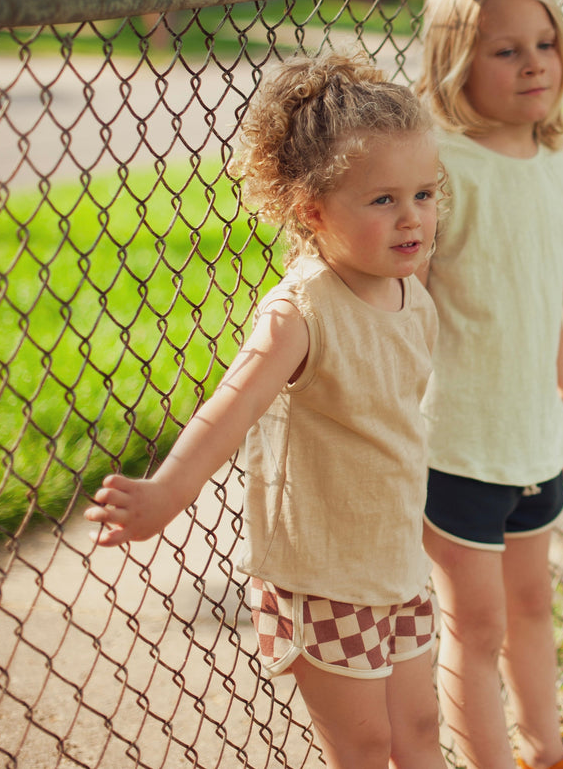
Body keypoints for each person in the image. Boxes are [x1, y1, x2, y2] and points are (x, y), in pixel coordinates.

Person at [85, 51, 446, 769]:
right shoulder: (302, 311)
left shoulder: (409, 290)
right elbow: (232, 404)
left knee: (421, 727)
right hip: (324, 575)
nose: (412, 218)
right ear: (313, 211)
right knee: (366, 745)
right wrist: (169, 491)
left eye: (425, 195)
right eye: (382, 200)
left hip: (396, 562)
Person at [414, 0, 563, 769]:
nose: (533, 64)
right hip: (457, 441)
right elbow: (404, 307)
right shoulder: (442, 171)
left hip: (530, 431)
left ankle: (546, 752)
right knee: (475, 626)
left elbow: (543, 302)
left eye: (546, 43)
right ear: (455, 62)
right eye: (504, 50)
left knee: (532, 605)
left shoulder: (555, 166)